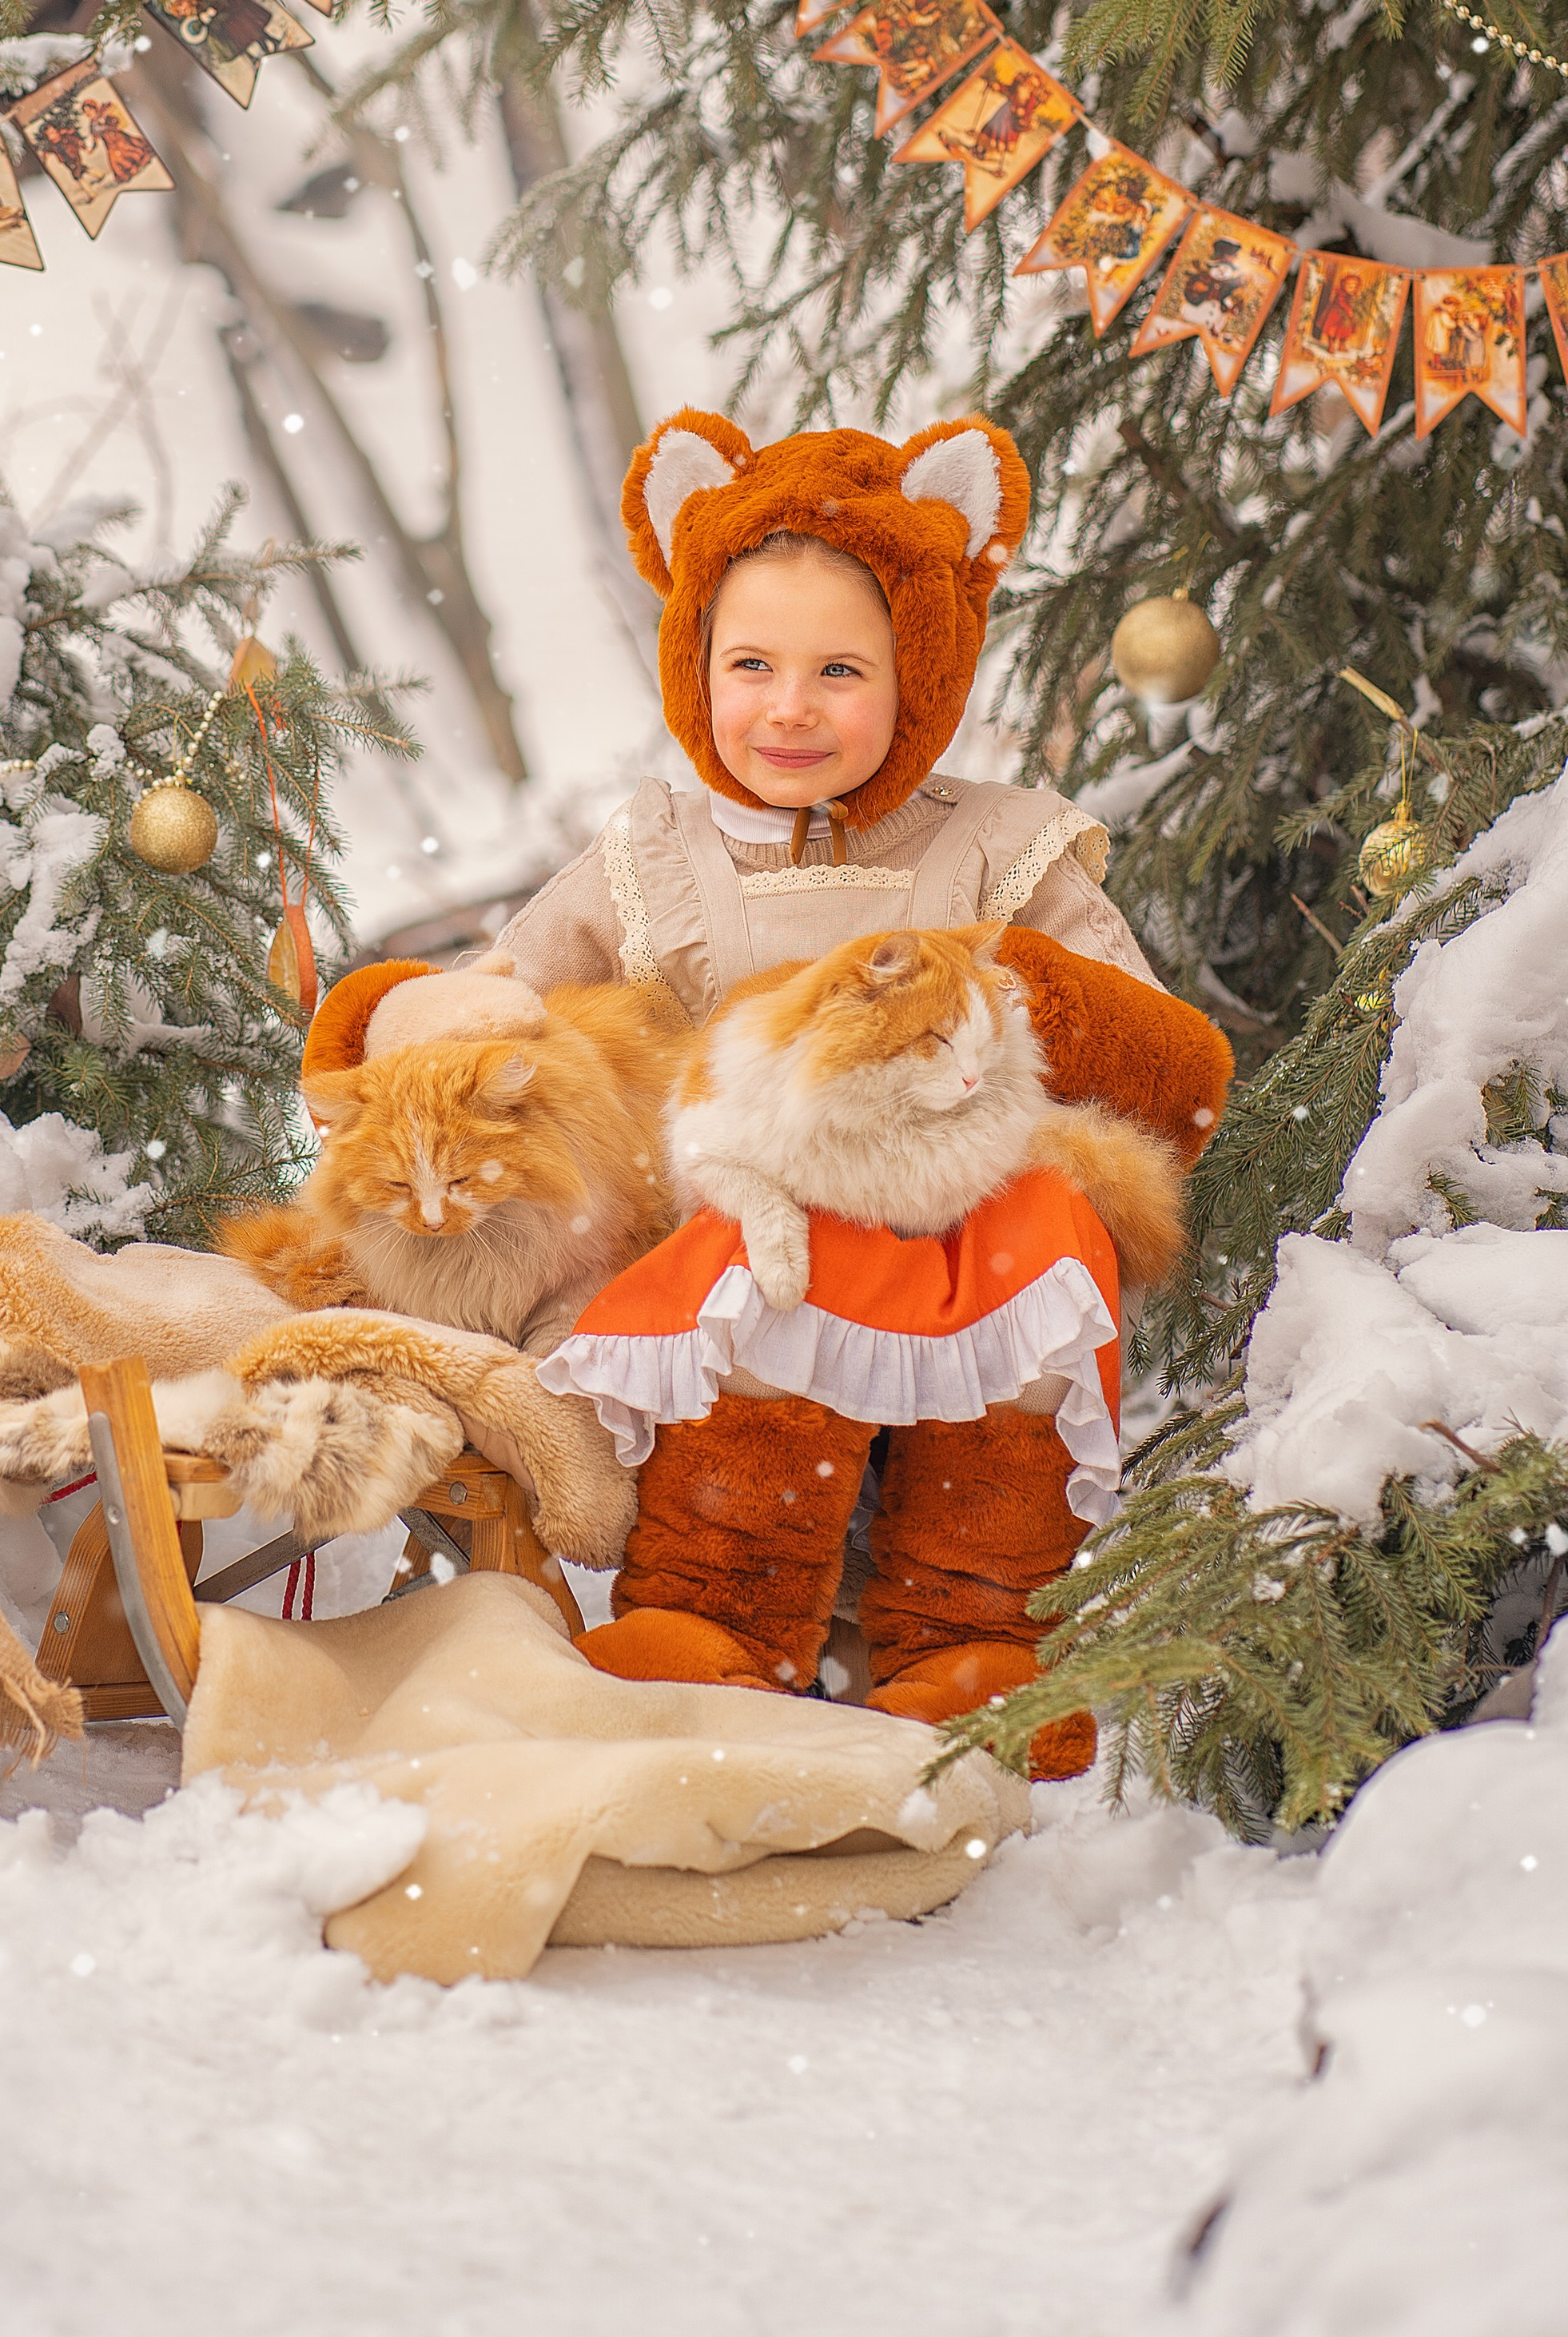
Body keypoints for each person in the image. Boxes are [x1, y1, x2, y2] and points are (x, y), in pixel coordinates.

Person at [309, 407, 1232, 1747]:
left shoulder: (1000, 847)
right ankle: (719, 1616)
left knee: (1033, 1278)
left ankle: (974, 1638)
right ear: (694, 662)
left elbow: (1170, 1067)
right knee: (747, 1296)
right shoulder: (659, 855)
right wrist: (402, 1027)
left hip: (966, 1225)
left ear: (921, 668)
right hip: (750, 1232)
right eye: (749, 663)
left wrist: (1018, 993)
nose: (789, 709)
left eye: (841, 672)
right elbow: (497, 998)